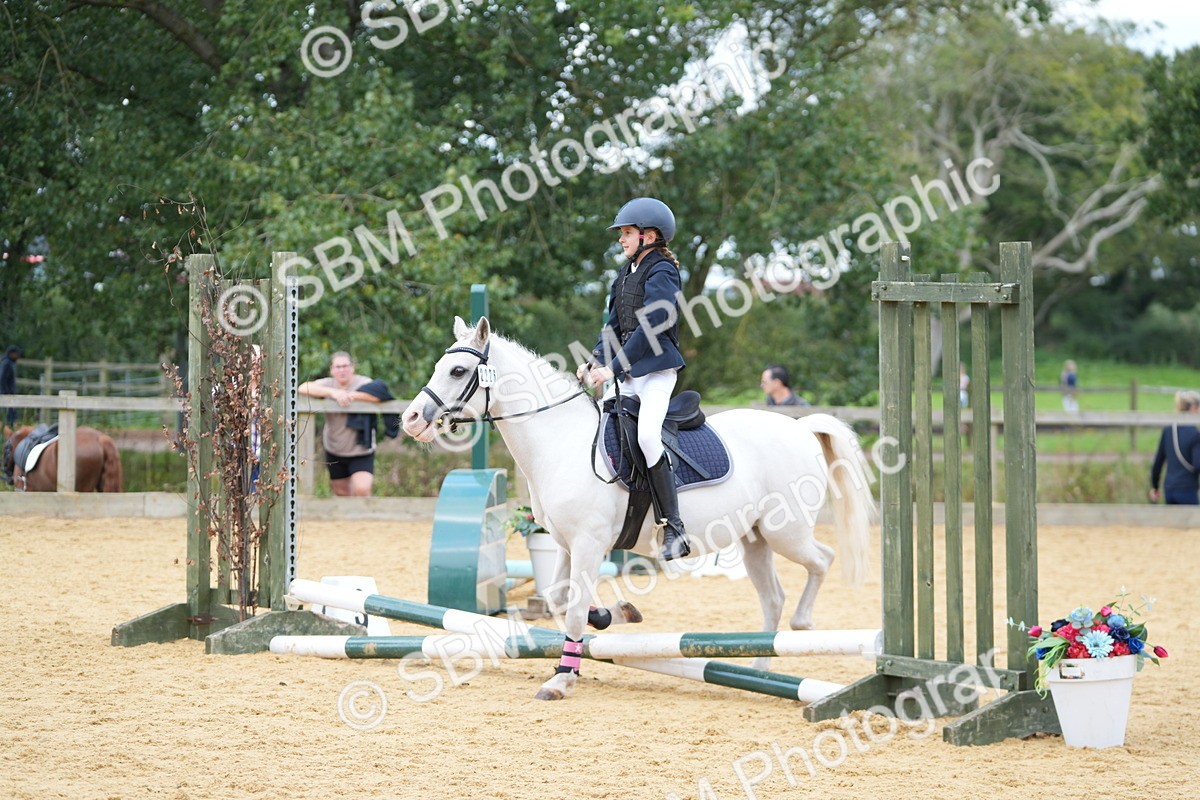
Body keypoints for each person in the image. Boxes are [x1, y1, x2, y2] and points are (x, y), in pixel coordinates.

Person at [576, 197, 690, 560]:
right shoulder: (624, 275)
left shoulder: (663, 271)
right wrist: (595, 361)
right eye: (622, 233)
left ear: (649, 235)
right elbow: (612, 326)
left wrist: (616, 367)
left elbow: (652, 324)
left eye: (626, 233)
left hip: (656, 373)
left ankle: (674, 527)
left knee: (646, 436)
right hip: (623, 373)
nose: (621, 240)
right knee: (595, 430)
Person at [298, 352, 382, 497]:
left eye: (345, 366)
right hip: (334, 448)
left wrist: (351, 395)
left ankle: (364, 519)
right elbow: (303, 388)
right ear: (332, 370)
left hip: (360, 450)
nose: (342, 370)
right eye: (337, 367)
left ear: (353, 368)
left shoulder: (363, 382)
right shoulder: (328, 384)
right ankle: (350, 520)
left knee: (362, 489)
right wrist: (334, 393)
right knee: (342, 493)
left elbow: (379, 394)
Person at [1149, 391, 1200, 506]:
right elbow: (1197, 465)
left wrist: (1155, 486)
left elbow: (1158, 463)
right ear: (1193, 408)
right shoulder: (1195, 434)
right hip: (1188, 489)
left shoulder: (1168, 431)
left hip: (1169, 490)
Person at [1, 345, 22, 428]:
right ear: (12, 354)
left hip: (8, 394)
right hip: (7, 395)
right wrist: (6, 393)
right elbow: (2, 379)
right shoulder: (7, 363)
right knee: (9, 417)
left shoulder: (9, 363)